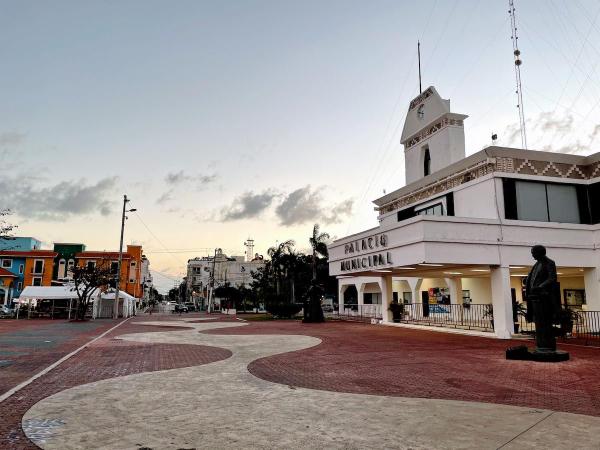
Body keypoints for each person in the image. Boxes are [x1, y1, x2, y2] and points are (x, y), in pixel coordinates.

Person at [524, 245, 558, 352]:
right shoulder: (536, 264)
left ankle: (547, 346)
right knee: (538, 323)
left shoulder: (549, 263)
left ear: (540, 253)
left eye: (533, 253)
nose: (532, 255)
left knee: (545, 323)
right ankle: (541, 345)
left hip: (544, 298)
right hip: (535, 299)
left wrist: (540, 287)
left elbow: (552, 278)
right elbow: (533, 278)